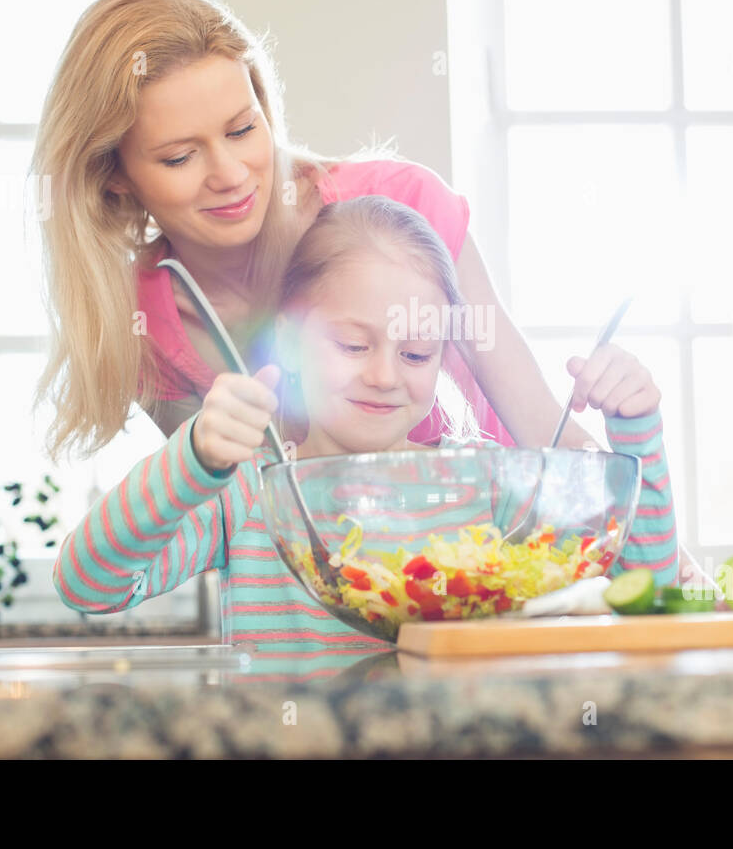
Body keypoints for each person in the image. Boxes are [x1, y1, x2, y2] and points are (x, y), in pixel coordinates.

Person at [52, 197, 678, 670]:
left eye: (416, 355)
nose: (383, 376)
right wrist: (191, 459)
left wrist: (635, 430)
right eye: (353, 344)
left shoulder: (485, 485)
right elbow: (87, 583)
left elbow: (650, 589)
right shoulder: (250, 491)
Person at [30, 0, 599, 462]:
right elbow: (230, 514)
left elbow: (550, 437)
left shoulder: (400, 206)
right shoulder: (140, 323)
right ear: (114, 176)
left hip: (498, 557)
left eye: (241, 130)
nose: (230, 175)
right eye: (180, 157)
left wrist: (674, 577)